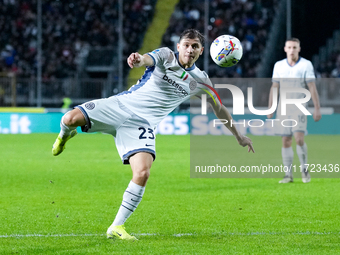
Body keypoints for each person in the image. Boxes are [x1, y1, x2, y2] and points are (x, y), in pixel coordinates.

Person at [52, 29, 254, 240]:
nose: (190, 49)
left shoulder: (201, 80)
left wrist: (239, 136)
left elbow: (219, 108)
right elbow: (146, 59)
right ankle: (64, 136)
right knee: (68, 119)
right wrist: (138, 59)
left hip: (143, 124)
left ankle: (116, 226)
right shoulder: (166, 55)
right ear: (178, 46)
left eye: (195, 46)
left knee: (142, 173)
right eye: (186, 45)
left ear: (202, 51)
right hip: (120, 106)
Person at [267, 38, 321, 184]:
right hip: (283, 108)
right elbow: (274, 87)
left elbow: (312, 87)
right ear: (285, 49)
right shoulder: (279, 66)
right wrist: (271, 106)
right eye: (289, 47)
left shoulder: (306, 65)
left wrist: (317, 108)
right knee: (285, 140)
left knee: (299, 138)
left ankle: (304, 169)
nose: (292, 50)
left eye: (294, 47)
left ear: (299, 49)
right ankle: (288, 175)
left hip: (299, 107)